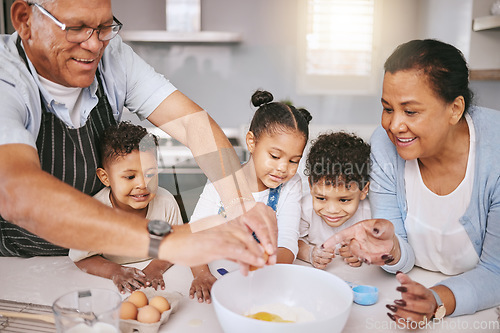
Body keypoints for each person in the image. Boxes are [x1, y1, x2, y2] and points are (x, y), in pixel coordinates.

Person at [0, 0, 278, 273]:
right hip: (23, 262)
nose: (95, 44)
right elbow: (16, 192)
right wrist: (168, 239)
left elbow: (193, 125)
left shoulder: (113, 59)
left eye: (104, 27)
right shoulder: (6, 78)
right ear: (25, 19)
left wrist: (241, 205)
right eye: (76, 27)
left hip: (101, 256)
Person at [323, 39, 500, 324]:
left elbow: (496, 271)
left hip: (481, 315)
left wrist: (435, 299)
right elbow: (401, 252)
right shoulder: (384, 146)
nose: (394, 126)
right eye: (387, 108)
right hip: (406, 292)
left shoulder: (496, 153)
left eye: (411, 111)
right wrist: (389, 249)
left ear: (455, 109)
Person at [188, 89, 312, 303]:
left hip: (263, 278)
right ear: (252, 142)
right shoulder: (223, 177)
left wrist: (261, 274)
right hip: (217, 273)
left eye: (294, 161)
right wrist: (201, 274)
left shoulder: (290, 185)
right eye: (274, 156)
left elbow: (287, 243)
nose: (283, 168)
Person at [69, 122, 183, 294]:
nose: (143, 184)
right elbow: (81, 258)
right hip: (106, 290)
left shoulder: (166, 203)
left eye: (150, 174)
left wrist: (156, 268)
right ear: (105, 178)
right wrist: (115, 272)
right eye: (130, 176)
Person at [297, 132, 371, 269]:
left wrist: (363, 252)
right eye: (321, 198)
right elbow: (291, 240)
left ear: (364, 190)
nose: (332, 210)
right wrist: (310, 253)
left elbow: (381, 245)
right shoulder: (304, 209)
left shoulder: (369, 214)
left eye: (343, 200)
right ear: (311, 186)